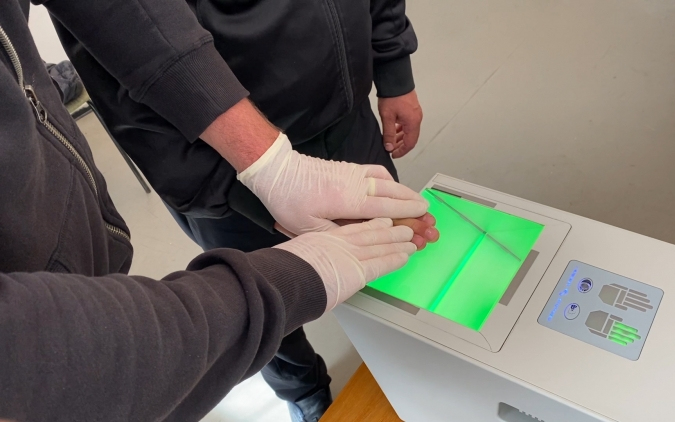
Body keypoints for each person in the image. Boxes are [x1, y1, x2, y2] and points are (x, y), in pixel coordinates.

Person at [0, 1, 430, 421]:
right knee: (277, 330)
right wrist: (254, 202)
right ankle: (305, 391)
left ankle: (409, 366)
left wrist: (391, 66)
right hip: (221, 177)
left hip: (343, 119)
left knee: (394, 256)